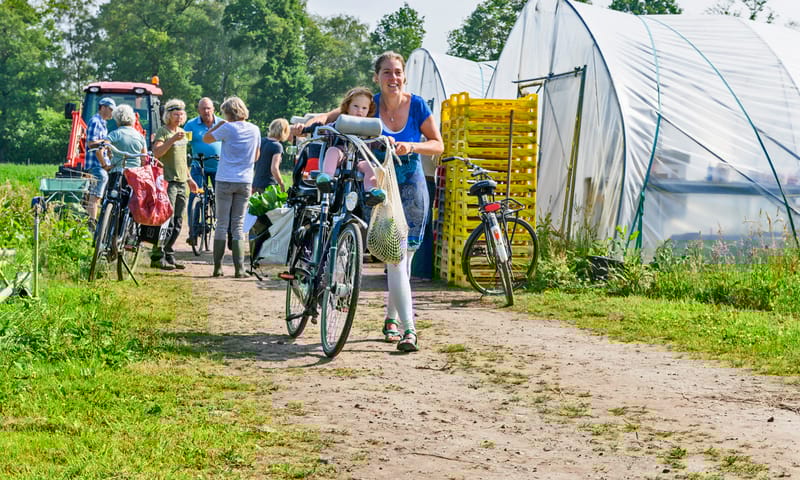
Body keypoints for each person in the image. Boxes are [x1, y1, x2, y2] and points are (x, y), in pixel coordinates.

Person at [296, 51, 444, 352]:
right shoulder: (371, 104)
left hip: (411, 184)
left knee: (404, 259)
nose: (394, 77)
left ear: (404, 76)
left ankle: (391, 319)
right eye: (387, 72)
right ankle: (409, 331)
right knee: (395, 259)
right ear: (377, 76)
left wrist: (411, 146)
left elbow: (437, 144)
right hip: (380, 183)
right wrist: (312, 121)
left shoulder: (416, 105)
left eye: (398, 72)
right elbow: (334, 116)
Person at [204, 96, 261, 278]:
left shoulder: (227, 127)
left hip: (225, 179)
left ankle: (218, 267)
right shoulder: (255, 129)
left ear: (228, 113)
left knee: (221, 223)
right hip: (245, 180)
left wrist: (218, 125)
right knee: (238, 224)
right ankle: (239, 269)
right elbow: (256, 156)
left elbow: (206, 139)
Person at [314, 87, 385, 206]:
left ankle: (371, 191)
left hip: (360, 160)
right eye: (356, 106)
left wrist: (386, 142)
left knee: (371, 166)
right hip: (342, 156)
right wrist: (323, 131)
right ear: (347, 106)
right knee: (332, 151)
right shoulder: (340, 123)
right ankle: (327, 179)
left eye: (364, 108)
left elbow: (377, 140)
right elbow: (328, 130)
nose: (360, 111)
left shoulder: (369, 127)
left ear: (369, 110)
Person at [149, 99, 198, 270]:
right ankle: (157, 255)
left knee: (177, 221)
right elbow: (157, 153)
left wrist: (190, 179)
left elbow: (183, 160)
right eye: (176, 114)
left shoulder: (183, 133)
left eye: (181, 114)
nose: (179, 117)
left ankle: (169, 254)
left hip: (182, 182)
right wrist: (171, 140)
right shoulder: (163, 131)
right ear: (168, 115)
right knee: (165, 220)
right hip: (167, 181)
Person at [184, 97, 223, 246]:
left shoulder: (221, 124)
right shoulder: (191, 125)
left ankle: (222, 231)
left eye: (208, 108)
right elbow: (184, 142)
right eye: (203, 108)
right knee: (195, 197)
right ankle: (193, 232)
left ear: (213, 109)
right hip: (197, 166)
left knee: (221, 198)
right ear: (198, 110)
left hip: (218, 166)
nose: (206, 111)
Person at [85, 97, 116, 227]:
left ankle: (96, 219)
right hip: (95, 164)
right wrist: (106, 142)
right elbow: (91, 143)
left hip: (101, 162)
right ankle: (91, 222)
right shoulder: (95, 121)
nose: (112, 112)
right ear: (102, 107)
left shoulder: (103, 123)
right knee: (96, 192)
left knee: (99, 194)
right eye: (110, 109)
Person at [105, 104, 146, 189]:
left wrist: (107, 158)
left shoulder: (115, 133)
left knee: (110, 197)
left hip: (117, 172)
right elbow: (144, 158)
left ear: (117, 119)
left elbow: (104, 145)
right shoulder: (140, 136)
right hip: (135, 173)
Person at [253, 118, 289, 194]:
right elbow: (274, 169)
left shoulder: (261, 141)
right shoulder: (277, 146)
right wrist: (281, 183)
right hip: (269, 185)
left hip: (256, 183)